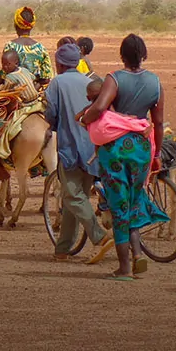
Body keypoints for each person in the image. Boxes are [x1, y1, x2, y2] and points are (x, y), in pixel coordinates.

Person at [80, 34, 169, 280]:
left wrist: (84, 120)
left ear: (121, 56)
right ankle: (138, 255)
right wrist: (157, 154)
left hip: (115, 148)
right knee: (135, 199)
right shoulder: (155, 82)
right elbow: (159, 123)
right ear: (144, 55)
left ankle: (124, 267)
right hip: (142, 148)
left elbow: (99, 107)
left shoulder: (114, 78)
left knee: (119, 204)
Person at [44, 43, 110, 261]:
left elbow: (51, 111)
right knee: (74, 196)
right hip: (92, 147)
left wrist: (53, 126)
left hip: (70, 147)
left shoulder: (57, 83)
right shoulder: (89, 81)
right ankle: (62, 249)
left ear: (60, 64)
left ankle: (99, 235)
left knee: (72, 197)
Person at [4, 7, 54, 85]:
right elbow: (46, 78)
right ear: (31, 26)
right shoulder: (41, 48)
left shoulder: (10, 46)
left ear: (16, 25)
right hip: (36, 92)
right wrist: (34, 89)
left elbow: (4, 75)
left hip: (14, 93)